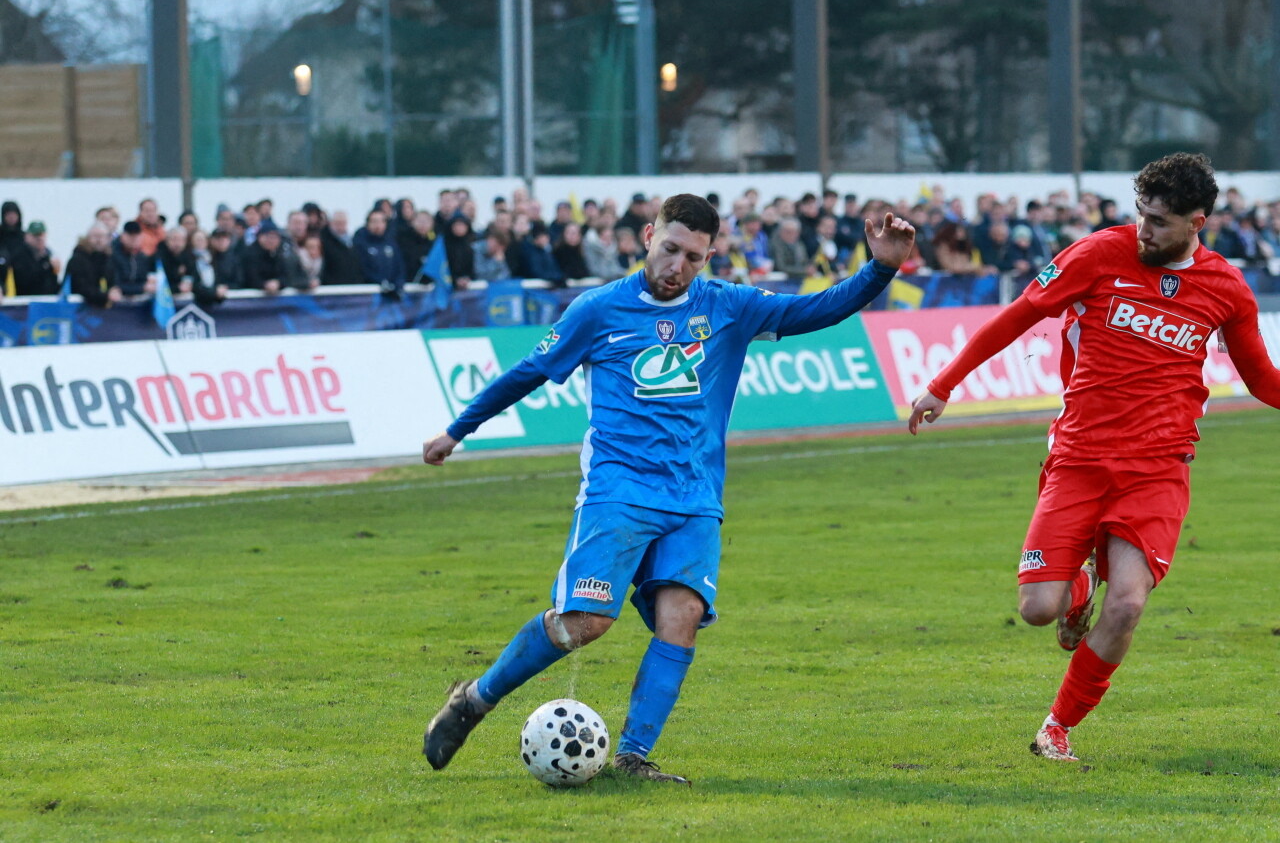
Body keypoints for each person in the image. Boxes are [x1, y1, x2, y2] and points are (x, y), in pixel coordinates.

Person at [420, 194, 916, 783]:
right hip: (619, 491)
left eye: (694, 258)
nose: (678, 265)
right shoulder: (597, 310)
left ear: (709, 258)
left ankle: (632, 757)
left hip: (696, 498)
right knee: (585, 624)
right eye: (670, 249)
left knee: (680, 617)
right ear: (648, 236)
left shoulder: (729, 306)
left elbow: (819, 309)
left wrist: (879, 267)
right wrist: (457, 429)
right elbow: (527, 372)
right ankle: (475, 699)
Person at [906, 153, 1280, 763]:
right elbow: (1017, 317)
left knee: (1129, 602)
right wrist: (943, 385)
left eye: (1159, 221)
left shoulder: (1226, 289)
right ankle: (1077, 585)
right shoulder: (1097, 255)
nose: (1144, 229)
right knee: (1037, 610)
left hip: (1159, 467)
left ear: (1197, 222)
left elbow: (1262, 378)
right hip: (1079, 458)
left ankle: (1057, 727)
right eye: (1141, 215)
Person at [9, 221, 61, 295]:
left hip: (46, 301)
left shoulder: (49, 256)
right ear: (27, 236)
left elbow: (53, 285)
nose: (39, 238)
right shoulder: (19, 256)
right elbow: (24, 282)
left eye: (42, 235)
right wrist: (44, 266)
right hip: (25, 303)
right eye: (35, 235)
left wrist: (54, 270)